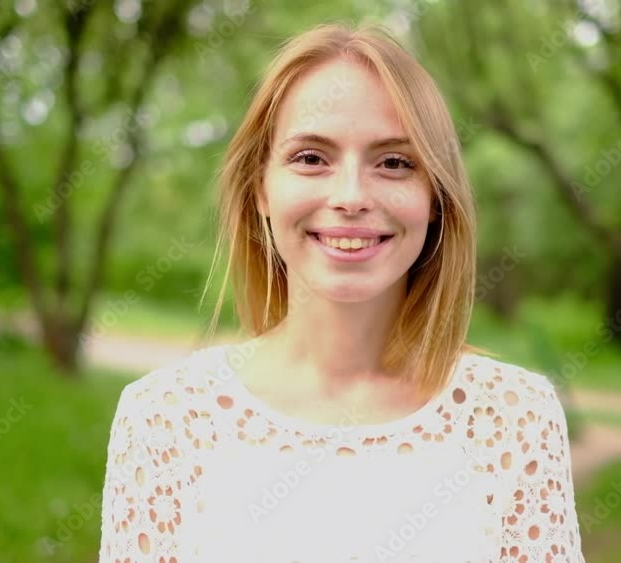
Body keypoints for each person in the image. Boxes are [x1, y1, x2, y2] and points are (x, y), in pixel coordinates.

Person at [98, 22, 585, 563]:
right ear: (261, 189)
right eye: (311, 158)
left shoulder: (515, 419)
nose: (351, 196)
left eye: (394, 162)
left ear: (435, 197)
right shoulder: (166, 418)